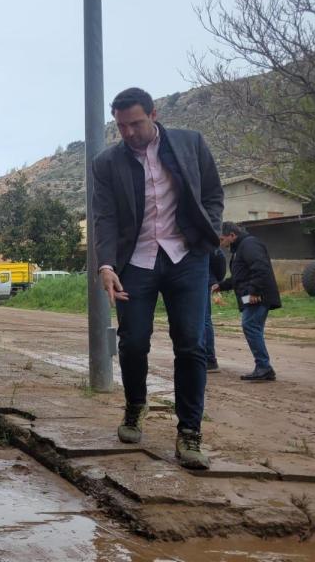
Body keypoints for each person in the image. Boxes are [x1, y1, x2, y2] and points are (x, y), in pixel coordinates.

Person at [92, 87, 224, 470]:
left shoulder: (191, 144)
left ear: (154, 113)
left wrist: (207, 233)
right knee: (132, 342)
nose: (129, 133)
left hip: (187, 258)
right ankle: (135, 406)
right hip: (137, 262)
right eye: (121, 127)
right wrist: (106, 265)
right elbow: (105, 218)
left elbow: (213, 194)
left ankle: (189, 433)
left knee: (191, 344)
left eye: (136, 123)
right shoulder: (106, 163)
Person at [215, 222, 281, 381]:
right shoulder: (240, 248)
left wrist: (254, 291)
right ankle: (264, 367)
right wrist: (220, 286)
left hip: (258, 295)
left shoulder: (249, 244)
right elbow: (239, 277)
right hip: (252, 295)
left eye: (222, 239)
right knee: (253, 327)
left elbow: (261, 267)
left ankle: (264, 367)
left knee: (250, 325)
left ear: (232, 235)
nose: (221, 244)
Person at [204, 248, 227, 372]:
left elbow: (219, 259)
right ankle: (206, 358)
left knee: (203, 319)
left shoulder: (206, 239)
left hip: (202, 280)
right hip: (204, 279)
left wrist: (215, 280)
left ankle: (209, 359)